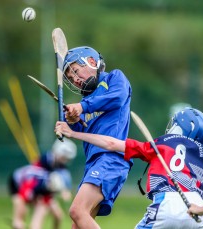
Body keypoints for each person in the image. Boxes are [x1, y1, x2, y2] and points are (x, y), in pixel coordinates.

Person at [55, 107, 203, 229]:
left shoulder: (161, 143)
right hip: (200, 208)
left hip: (165, 204)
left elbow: (111, 143)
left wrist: (74, 133)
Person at [59, 46, 132, 229]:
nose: (75, 79)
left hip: (110, 157)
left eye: (75, 71)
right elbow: (82, 127)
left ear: (92, 62)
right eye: (70, 78)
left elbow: (117, 97)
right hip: (94, 161)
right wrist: (73, 120)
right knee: (78, 224)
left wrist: (83, 108)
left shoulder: (114, 78)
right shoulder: (86, 100)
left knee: (77, 211)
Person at [8, 138, 77, 229]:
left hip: (42, 190)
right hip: (18, 184)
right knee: (19, 220)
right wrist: (18, 221)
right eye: (64, 157)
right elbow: (24, 195)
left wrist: (65, 190)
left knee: (58, 216)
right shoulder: (35, 177)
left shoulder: (58, 173)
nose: (65, 161)